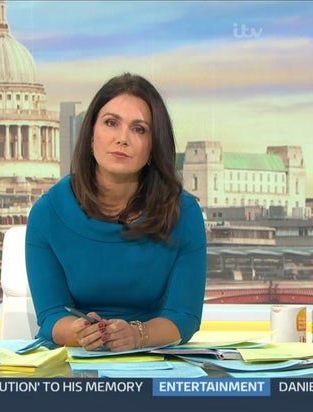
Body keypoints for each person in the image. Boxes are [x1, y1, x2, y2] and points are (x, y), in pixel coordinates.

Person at [25, 73, 206, 352]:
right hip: (73, 363)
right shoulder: (47, 214)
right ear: (90, 135)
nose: (122, 139)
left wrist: (137, 335)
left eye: (139, 129)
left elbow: (184, 317)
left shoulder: (184, 213)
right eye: (111, 123)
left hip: (154, 358)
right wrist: (78, 333)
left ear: (153, 147)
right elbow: (50, 315)